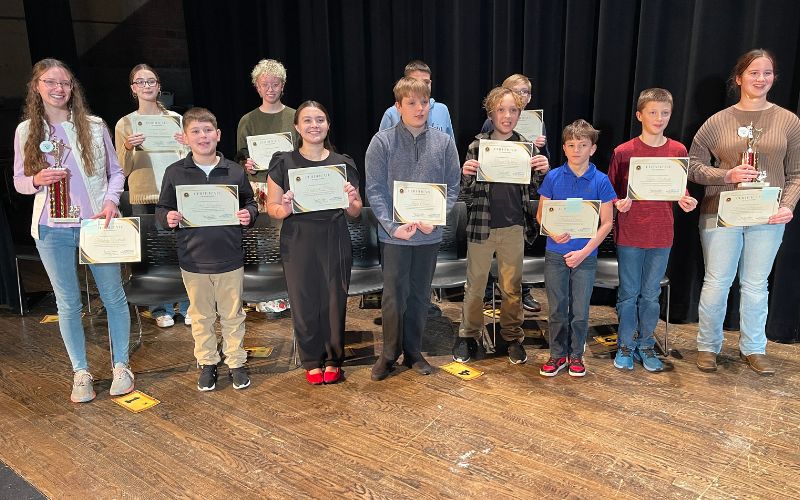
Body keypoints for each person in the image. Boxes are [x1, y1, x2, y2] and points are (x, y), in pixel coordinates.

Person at [13, 58, 134, 402]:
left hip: (96, 225)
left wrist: (110, 202)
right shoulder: (26, 131)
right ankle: (80, 372)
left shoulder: (94, 126)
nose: (59, 88)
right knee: (67, 303)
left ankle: (121, 365)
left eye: (65, 83)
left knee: (113, 296)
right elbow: (20, 181)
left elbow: (116, 172)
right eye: (50, 82)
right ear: (37, 87)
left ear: (72, 88)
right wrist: (37, 179)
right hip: (52, 230)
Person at [688, 48, 800, 375]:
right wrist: (726, 175)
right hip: (720, 213)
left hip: (767, 216)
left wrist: (787, 205)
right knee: (717, 282)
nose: (760, 79)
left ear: (774, 78)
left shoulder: (789, 121)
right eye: (753, 73)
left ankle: (753, 348)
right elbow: (692, 167)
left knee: (755, 285)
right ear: (739, 78)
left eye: (767, 73)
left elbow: (796, 173)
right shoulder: (717, 121)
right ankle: (708, 346)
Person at [366, 76, 460, 381]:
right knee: (393, 297)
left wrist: (438, 216)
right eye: (412, 103)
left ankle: (414, 352)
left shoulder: (444, 143)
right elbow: (374, 190)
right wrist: (393, 227)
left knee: (420, 296)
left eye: (424, 102)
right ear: (398, 106)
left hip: (428, 235)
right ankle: (388, 354)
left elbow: (453, 186)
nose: (419, 108)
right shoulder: (382, 142)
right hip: (395, 236)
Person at [156, 107, 257, 391]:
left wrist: (249, 214)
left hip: (230, 257)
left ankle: (236, 361)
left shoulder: (234, 171)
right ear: (186, 138)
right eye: (196, 132)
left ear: (218, 134)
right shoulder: (175, 172)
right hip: (193, 259)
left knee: (233, 315)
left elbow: (250, 203)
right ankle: (208, 361)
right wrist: (168, 217)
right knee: (201, 317)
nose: (203, 136)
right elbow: (162, 208)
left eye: (208, 130)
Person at [266, 101, 362, 385]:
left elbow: (356, 211)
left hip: (334, 236)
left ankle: (333, 359)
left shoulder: (343, 164)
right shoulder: (283, 163)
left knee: (334, 300)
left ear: (328, 125)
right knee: (303, 299)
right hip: (298, 238)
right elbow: (272, 207)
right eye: (307, 120)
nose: (314, 125)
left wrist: (351, 201)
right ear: (297, 127)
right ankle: (310, 359)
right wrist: (284, 208)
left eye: (320, 119)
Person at [452, 86, 549, 364]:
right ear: (491, 113)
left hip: (514, 227)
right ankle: (468, 335)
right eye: (501, 110)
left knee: (512, 288)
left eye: (513, 110)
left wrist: (544, 171)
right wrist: (465, 174)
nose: (507, 116)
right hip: (481, 227)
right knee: (475, 287)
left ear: (520, 114)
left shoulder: (527, 147)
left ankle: (512, 336)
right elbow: (465, 193)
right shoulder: (477, 146)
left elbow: (537, 189)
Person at [608, 88, 698, 372]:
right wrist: (618, 203)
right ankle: (625, 345)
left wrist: (686, 199)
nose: (659, 118)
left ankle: (646, 344)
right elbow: (610, 191)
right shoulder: (624, 152)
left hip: (661, 235)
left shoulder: (678, 151)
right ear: (640, 115)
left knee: (650, 294)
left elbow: (678, 188)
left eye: (665, 113)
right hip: (630, 235)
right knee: (628, 294)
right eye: (653, 112)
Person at [537, 119, 615, 377]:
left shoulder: (601, 180)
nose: (576, 150)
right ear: (564, 148)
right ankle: (557, 355)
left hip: (585, 256)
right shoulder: (553, 177)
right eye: (571, 145)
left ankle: (576, 355)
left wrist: (584, 252)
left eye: (582, 145)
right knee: (557, 309)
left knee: (580, 311)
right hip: (555, 254)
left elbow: (607, 223)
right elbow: (541, 214)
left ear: (593, 148)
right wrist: (552, 232)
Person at [115, 63, 190, 328]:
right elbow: (121, 168)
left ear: (159, 86)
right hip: (145, 196)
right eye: (140, 82)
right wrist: (127, 147)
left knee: (183, 250)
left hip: (176, 193)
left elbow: (188, 160)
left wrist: (187, 145)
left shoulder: (176, 119)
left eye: (151, 81)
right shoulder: (125, 123)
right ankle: (161, 307)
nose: (146, 86)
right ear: (133, 88)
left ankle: (188, 304)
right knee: (156, 255)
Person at [480, 73, 550, 313]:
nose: (523, 96)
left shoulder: (537, 123)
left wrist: (538, 150)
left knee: (519, 250)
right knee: (490, 249)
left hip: (523, 195)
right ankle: (489, 292)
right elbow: (485, 155)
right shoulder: (491, 122)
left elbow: (546, 162)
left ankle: (524, 292)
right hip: (495, 196)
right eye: (518, 91)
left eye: (526, 92)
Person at [236, 58, 297, 317]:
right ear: (257, 87)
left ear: (283, 85)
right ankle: (264, 294)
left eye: (275, 84)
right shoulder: (247, 120)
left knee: (287, 239)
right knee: (262, 241)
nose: (270, 89)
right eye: (265, 84)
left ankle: (289, 291)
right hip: (259, 187)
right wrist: (247, 164)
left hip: (287, 187)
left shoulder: (294, 116)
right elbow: (241, 156)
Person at [378, 60, 455, 141]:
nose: (422, 86)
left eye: (426, 82)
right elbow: (383, 142)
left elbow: (450, 142)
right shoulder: (391, 113)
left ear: (431, 83)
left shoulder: (442, 109)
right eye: (416, 81)